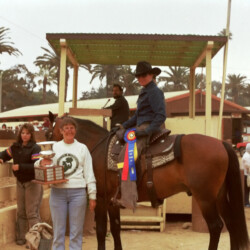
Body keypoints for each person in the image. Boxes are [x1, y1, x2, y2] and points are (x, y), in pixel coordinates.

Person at [35, 117, 96, 249]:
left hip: (78, 193)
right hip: (57, 193)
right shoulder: (54, 147)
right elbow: (39, 163)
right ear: (61, 131)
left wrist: (92, 195)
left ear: (75, 130)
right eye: (66, 128)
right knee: (58, 231)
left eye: (72, 128)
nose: (69, 130)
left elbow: (89, 173)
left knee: (76, 231)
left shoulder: (82, 148)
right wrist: (41, 162)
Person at [116, 61, 166, 209]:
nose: (141, 78)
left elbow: (161, 115)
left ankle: (128, 199)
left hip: (149, 127)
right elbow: (137, 117)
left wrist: (147, 131)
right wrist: (122, 126)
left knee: (124, 157)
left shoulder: (154, 92)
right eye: (138, 76)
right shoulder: (144, 92)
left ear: (151, 75)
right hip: (140, 126)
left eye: (144, 75)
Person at [0, 123, 42, 246]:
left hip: (32, 183)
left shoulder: (35, 148)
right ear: (20, 134)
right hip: (20, 182)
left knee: (32, 213)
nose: (25, 135)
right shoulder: (15, 147)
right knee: (21, 211)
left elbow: (37, 166)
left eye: (27, 133)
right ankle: (21, 237)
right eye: (23, 133)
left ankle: (36, 240)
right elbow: (5, 154)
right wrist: (1, 158)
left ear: (31, 134)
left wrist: (20, 167)